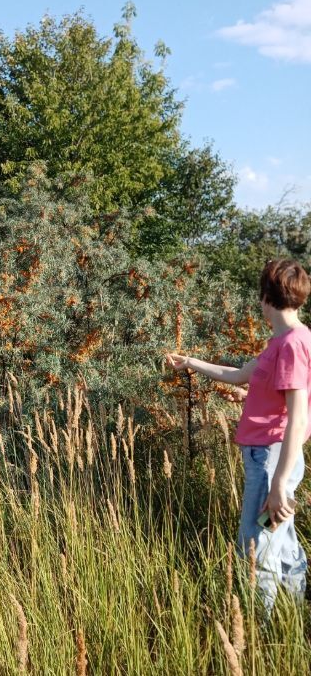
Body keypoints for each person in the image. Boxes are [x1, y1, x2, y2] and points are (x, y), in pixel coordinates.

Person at [165, 258, 311, 617]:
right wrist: (191, 362)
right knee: (283, 542)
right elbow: (242, 376)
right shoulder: (284, 339)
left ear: (265, 296)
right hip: (271, 457)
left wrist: (278, 484)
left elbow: (297, 416)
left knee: (255, 545)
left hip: (272, 460)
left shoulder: (291, 343)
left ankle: (256, 634)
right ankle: (293, 617)